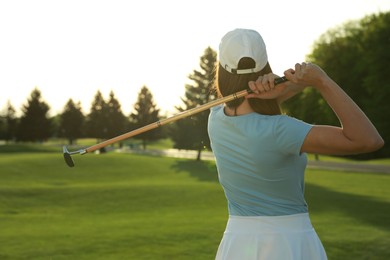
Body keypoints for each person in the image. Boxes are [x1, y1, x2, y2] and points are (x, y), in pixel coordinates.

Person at [208, 28, 384, 260]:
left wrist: (284, 89)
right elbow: (367, 140)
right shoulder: (281, 130)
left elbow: (249, 107)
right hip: (288, 241)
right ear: (265, 66)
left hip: (237, 242)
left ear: (222, 71)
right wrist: (321, 81)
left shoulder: (215, 118)